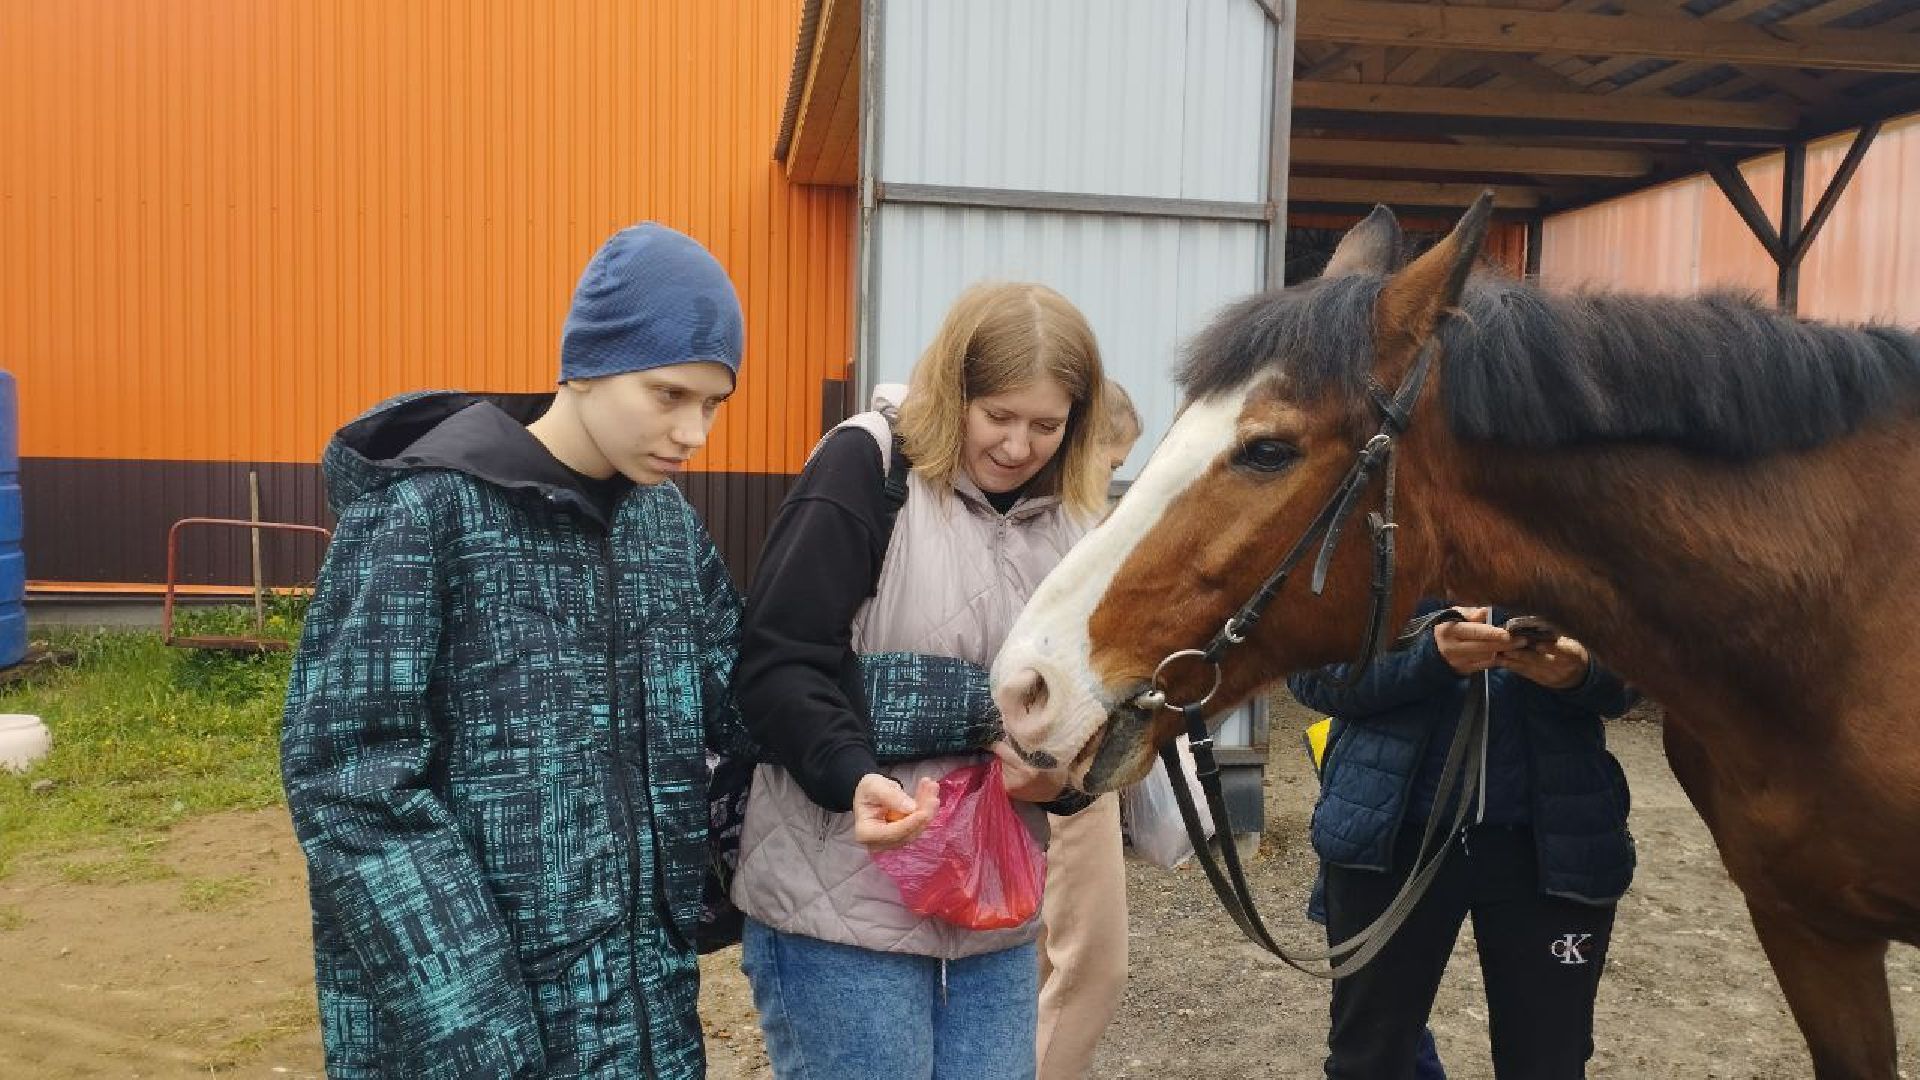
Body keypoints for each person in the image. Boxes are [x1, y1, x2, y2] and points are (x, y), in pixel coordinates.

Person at [281, 223, 754, 1079]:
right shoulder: (424, 513)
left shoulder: (663, 527)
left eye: (713, 404)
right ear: (586, 364)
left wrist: (986, 694)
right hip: (478, 1041)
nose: (695, 434)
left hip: (650, 1023)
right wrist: (478, 1032)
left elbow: (751, 685)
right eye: (668, 394)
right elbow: (351, 785)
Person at [730, 281, 1110, 1080]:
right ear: (953, 391)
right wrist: (850, 774)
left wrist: (1062, 784)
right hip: (842, 898)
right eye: (997, 416)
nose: (1017, 447)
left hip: (992, 911)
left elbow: (1084, 708)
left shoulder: (1077, 521)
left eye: (1047, 425)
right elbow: (776, 660)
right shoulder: (867, 465)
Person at [1290, 602, 1638, 1080]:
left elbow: (1641, 676)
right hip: (1393, 840)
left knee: (1549, 1063)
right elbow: (1308, 672)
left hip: (1553, 843)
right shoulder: (1375, 538)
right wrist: (1423, 660)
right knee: (1369, 1060)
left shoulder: (1579, 541)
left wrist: (1582, 672)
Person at [1034, 382, 1142, 1080]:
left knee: (1043, 964)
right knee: (1091, 968)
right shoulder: (1074, 532)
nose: (1112, 480)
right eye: (1112, 463)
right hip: (1065, 775)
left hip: (1047, 771)